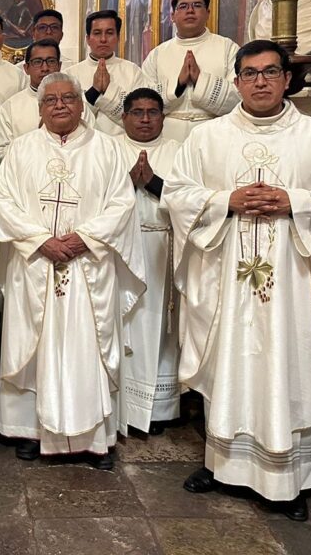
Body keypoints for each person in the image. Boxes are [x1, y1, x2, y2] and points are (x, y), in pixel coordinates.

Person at [164, 40, 311, 522]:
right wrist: (225, 201)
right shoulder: (207, 138)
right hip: (226, 284)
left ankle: (288, 478)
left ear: (287, 79)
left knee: (288, 363)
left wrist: (294, 201)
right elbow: (178, 193)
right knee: (232, 363)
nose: (259, 81)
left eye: (270, 72)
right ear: (235, 81)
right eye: (250, 73)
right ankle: (222, 465)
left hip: (295, 287)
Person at [0, 72, 144, 466]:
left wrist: (82, 239)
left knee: (88, 344)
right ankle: (29, 430)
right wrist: (42, 240)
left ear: (81, 104)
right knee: (33, 344)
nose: (60, 105)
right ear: (39, 108)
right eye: (51, 100)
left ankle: (93, 438)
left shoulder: (106, 149)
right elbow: (4, 202)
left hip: (88, 266)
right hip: (36, 263)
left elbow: (122, 205)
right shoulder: (21, 149)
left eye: (68, 98)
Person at [115, 88, 181, 435]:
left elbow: (189, 200)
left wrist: (153, 183)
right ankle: (120, 404)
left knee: (159, 327)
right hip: (120, 253)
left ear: (163, 118)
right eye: (136, 112)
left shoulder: (179, 152)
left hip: (161, 251)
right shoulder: (108, 149)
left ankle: (158, 409)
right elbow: (97, 197)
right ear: (123, 117)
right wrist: (128, 183)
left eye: (152, 112)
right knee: (122, 325)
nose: (144, 119)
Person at [142, 0, 240, 142]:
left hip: (215, 135)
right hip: (167, 137)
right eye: (183, 6)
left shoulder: (228, 48)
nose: (190, 11)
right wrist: (178, 84)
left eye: (197, 5)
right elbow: (143, 100)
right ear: (173, 16)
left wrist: (200, 80)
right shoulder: (158, 54)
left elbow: (240, 96)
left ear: (208, 13)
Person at [67, 11, 149, 136]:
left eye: (109, 33)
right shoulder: (70, 75)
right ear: (88, 39)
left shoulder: (132, 71)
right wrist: (94, 92)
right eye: (97, 33)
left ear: (118, 38)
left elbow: (140, 117)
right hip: (83, 146)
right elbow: (68, 117)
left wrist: (109, 91)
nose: (103, 39)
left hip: (123, 145)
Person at [0, 39, 62, 167]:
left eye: (51, 61)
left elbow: (86, 143)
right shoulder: (10, 108)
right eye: (37, 62)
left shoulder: (75, 103)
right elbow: (1, 156)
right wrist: (36, 140)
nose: (45, 68)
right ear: (26, 68)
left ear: (59, 66)